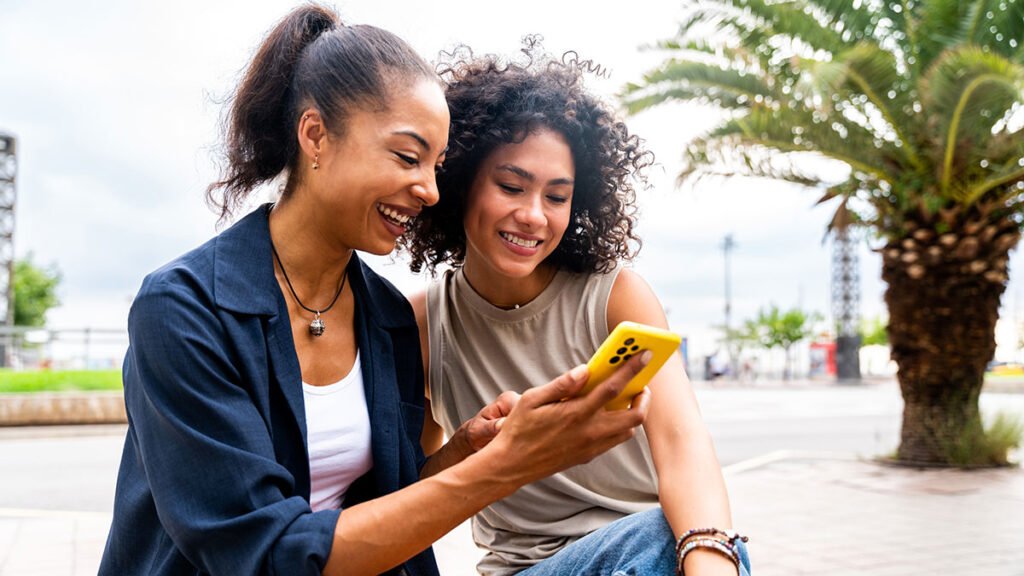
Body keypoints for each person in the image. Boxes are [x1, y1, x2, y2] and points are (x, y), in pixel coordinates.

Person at [99, 8, 655, 576]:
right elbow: (258, 553)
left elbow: (383, 509)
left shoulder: (387, 317)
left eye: (437, 166)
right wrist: (506, 467)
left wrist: (467, 452)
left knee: (654, 540)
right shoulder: (184, 309)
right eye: (408, 157)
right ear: (316, 136)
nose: (431, 191)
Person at [404, 45, 752, 576]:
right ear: (460, 181)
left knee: (695, 541)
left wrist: (709, 556)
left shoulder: (616, 298)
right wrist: (475, 451)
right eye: (511, 186)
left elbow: (683, 445)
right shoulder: (424, 324)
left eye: (557, 196)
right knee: (669, 541)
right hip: (530, 569)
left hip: (644, 557)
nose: (533, 216)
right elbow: (410, 499)